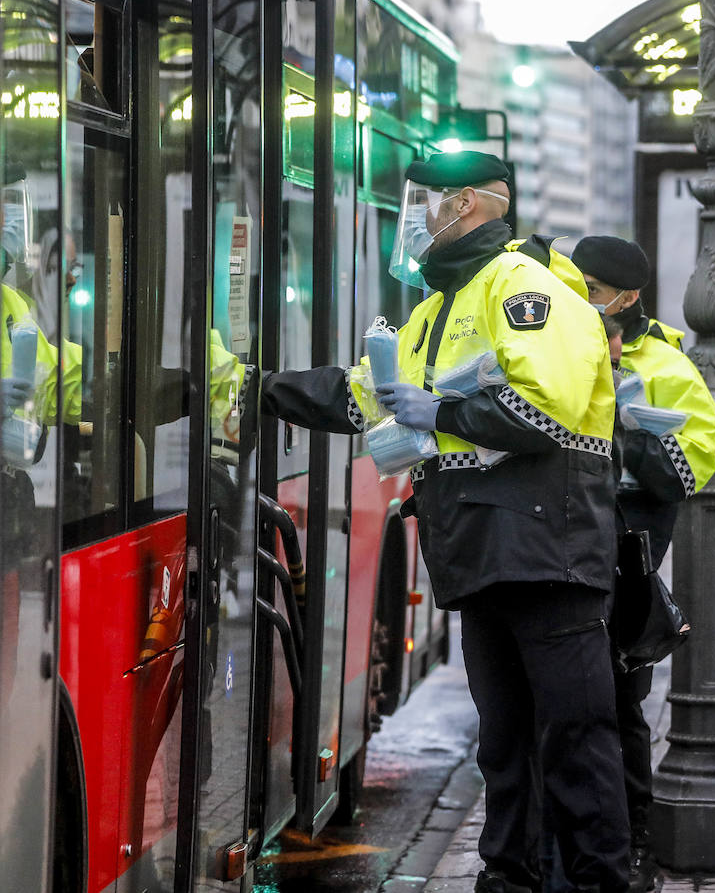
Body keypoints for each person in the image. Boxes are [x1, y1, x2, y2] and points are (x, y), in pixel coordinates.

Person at [262, 151, 628, 893]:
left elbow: (546, 407)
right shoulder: (436, 309)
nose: (416, 220)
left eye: (425, 203)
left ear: (466, 206)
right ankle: (509, 876)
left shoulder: (524, 286)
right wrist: (262, 389)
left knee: (575, 738)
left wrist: (446, 412)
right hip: (483, 557)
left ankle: (597, 881)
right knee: (505, 740)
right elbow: (366, 394)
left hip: (546, 553)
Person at [570, 235, 715, 893]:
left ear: (627, 298)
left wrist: (629, 434)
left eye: (594, 291)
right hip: (564, 552)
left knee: (617, 710)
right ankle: (564, 849)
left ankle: (632, 845)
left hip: (624, 568)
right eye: (577, 287)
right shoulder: (563, 344)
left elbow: (688, 469)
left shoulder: (667, 365)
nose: (584, 300)